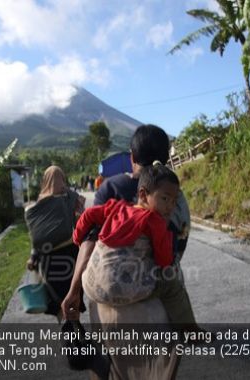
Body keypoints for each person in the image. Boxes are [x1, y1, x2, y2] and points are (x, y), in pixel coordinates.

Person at [62, 124, 193, 379]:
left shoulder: (110, 189)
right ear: (165, 158)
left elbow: (90, 243)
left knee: (109, 372)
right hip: (157, 305)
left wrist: (74, 289)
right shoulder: (174, 197)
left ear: (131, 157)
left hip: (110, 307)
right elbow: (177, 249)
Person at [72, 162, 197, 328]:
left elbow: (88, 215)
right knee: (173, 286)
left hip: (92, 286)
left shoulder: (116, 207)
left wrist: (77, 237)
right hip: (123, 289)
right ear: (143, 195)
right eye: (165, 198)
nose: (170, 207)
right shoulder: (156, 221)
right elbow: (163, 261)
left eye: (174, 201)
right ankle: (191, 331)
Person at [25, 165, 85, 318]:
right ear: (62, 178)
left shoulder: (38, 204)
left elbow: (35, 237)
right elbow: (80, 223)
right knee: (72, 293)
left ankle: (70, 330)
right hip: (69, 255)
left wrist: (33, 257)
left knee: (58, 298)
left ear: (45, 180)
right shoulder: (70, 197)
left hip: (47, 260)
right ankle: (73, 331)